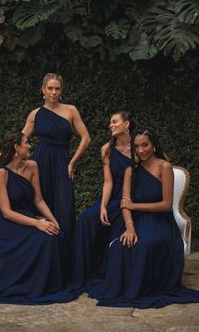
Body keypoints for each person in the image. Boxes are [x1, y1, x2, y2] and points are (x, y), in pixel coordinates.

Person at [87, 128, 199, 308]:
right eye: (137, 146)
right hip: (137, 221)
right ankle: (125, 288)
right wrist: (130, 227)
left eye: (145, 145)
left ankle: (142, 288)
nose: (141, 150)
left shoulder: (164, 167)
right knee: (120, 245)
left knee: (144, 245)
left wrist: (135, 206)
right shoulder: (130, 171)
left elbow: (166, 204)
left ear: (153, 145)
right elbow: (125, 204)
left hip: (161, 222)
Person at [0, 73, 91, 245]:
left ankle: (65, 259)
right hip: (41, 162)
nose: (54, 92)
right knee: (40, 202)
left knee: (64, 209)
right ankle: (40, 249)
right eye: (50, 88)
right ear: (43, 90)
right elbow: (17, 141)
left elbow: (86, 138)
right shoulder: (35, 114)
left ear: (61, 90)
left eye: (57, 88)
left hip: (62, 163)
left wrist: (72, 162)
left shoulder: (71, 110)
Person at [0, 132, 73, 305]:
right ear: (17, 147)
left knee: (54, 234)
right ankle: (29, 286)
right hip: (7, 222)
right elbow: (7, 211)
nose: (30, 146)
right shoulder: (1, 174)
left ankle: (46, 285)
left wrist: (53, 220)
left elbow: (38, 200)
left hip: (26, 216)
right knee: (42, 238)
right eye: (26, 142)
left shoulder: (32, 166)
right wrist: (38, 223)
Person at [67, 111, 137, 295]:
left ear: (127, 124)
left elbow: (160, 162)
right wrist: (103, 206)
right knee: (86, 218)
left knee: (120, 221)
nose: (111, 125)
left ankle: (110, 270)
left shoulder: (139, 145)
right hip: (113, 196)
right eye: (110, 122)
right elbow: (108, 182)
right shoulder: (106, 148)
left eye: (115, 122)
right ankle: (81, 274)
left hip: (134, 197)